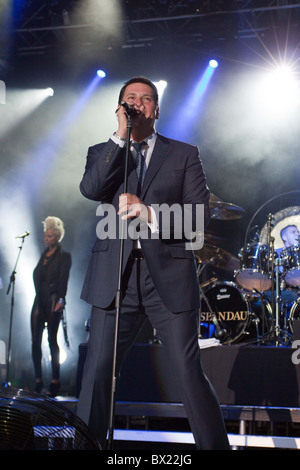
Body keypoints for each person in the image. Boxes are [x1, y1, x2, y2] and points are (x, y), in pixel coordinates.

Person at [77, 77, 229, 450]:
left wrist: (149, 213)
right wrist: (119, 137)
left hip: (169, 276)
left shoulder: (184, 154)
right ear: (119, 107)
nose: (138, 103)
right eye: (131, 98)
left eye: (147, 99)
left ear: (157, 110)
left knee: (188, 372)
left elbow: (197, 221)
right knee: (97, 374)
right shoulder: (103, 151)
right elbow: (91, 189)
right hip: (115, 276)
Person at [31, 216, 72, 397]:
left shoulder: (64, 256)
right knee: (35, 341)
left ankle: (55, 380)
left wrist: (61, 300)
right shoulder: (43, 256)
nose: (46, 239)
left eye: (49, 236)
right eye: (45, 236)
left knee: (51, 340)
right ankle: (38, 380)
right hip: (39, 301)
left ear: (56, 237)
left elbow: (63, 279)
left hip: (53, 299)